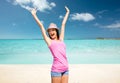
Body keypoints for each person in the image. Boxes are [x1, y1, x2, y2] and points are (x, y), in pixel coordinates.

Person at [31, 6, 70, 83]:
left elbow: (63, 24)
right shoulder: (49, 41)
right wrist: (34, 15)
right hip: (56, 70)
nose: (51, 32)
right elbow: (41, 26)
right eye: (49, 31)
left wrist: (68, 12)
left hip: (66, 69)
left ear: (56, 31)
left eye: (53, 30)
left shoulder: (61, 39)